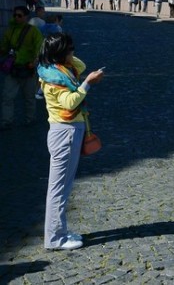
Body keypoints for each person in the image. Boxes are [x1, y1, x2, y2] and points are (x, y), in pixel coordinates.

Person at [38, 33, 105, 250]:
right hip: (65, 133)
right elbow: (70, 102)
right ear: (60, 54)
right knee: (59, 189)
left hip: (66, 132)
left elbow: (81, 64)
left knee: (61, 187)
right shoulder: (54, 78)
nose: (73, 52)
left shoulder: (59, 70)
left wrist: (67, 58)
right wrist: (87, 83)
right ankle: (55, 238)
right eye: (70, 49)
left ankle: (60, 232)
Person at [1, 6, 44, 129]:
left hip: (28, 67)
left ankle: (30, 119)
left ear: (26, 17)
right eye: (15, 15)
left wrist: (35, 60)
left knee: (29, 97)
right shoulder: (10, 30)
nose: (16, 18)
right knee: (7, 97)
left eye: (19, 15)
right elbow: (4, 47)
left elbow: (39, 46)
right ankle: (7, 121)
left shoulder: (33, 31)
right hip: (13, 68)